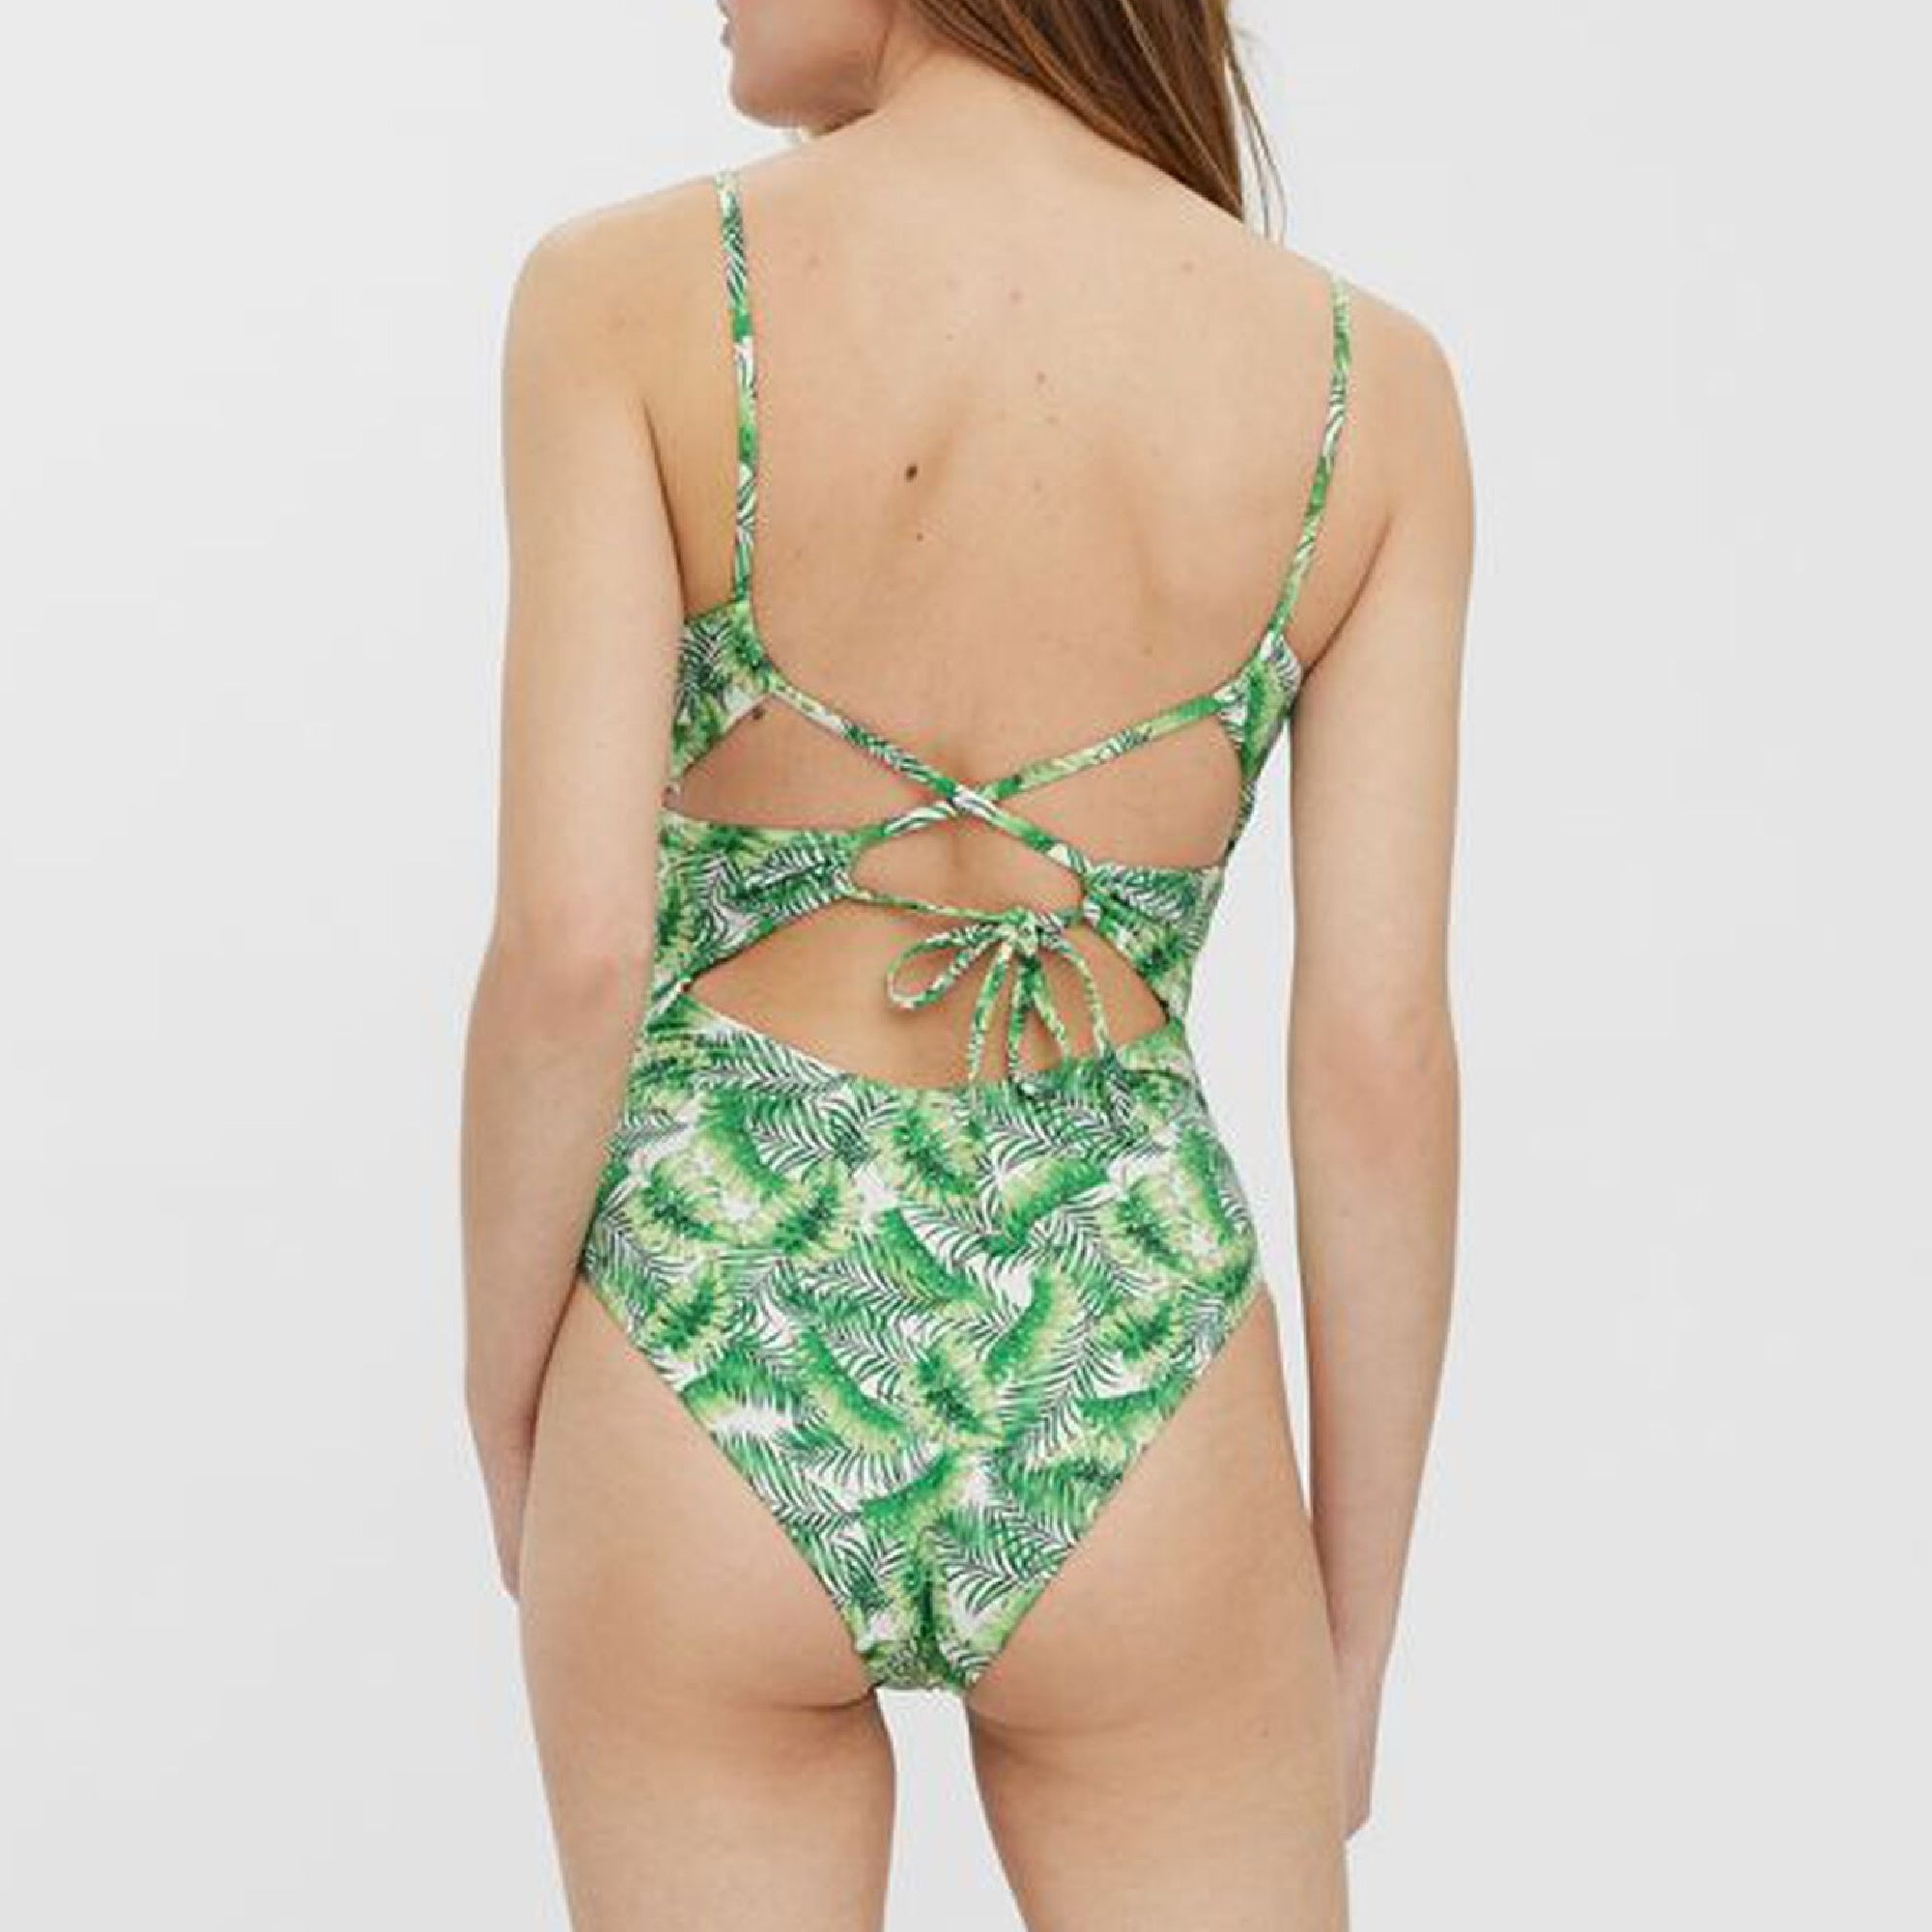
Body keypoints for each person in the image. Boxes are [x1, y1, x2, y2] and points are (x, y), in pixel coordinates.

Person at [461, 3, 1471, 1924]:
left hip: (709, 1295)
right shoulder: (1368, 388)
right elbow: (1376, 1057)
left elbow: (571, 953)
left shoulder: (627, 297)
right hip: (1129, 1322)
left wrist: (513, 1400)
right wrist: (1350, 1625)